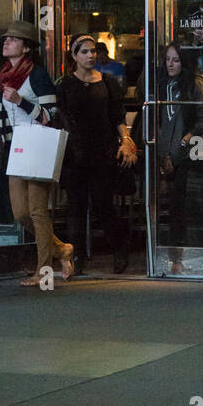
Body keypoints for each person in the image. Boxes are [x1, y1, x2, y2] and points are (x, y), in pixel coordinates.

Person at [0, 19, 73, 287]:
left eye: (14, 39)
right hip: (17, 147)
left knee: (38, 211)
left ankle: (44, 272)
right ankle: (62, 249)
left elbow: (50, 116)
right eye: (7, 39)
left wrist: (21, 100)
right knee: (20, 213)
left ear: (27, 48)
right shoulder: (6, 73)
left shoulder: (37, 75)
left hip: (38, 146)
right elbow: (13, 114)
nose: (6, 42)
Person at [57, 35, 138, 275]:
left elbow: (117, 117)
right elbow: (60, 118)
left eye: (92, 51)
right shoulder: (65, 85)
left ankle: (119, 249)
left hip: (102, 150)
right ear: (74, 56)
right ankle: (77, 257)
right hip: (75, 152)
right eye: (84, 52)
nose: (90, 55)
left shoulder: (108, 82)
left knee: (104, 205)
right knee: (76, 207)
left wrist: (125, 140)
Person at [156, 44, 203, 275]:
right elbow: (158, 122)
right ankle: (173, 259)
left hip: (189, 153)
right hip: (165, 152)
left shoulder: (194, 84)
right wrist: (164, 153)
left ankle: (181, 258)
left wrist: (184, 140)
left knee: (183, 207)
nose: (170, 64)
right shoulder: (160, 85)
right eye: (167, 59)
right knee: (171, 208)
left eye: (176, 60)